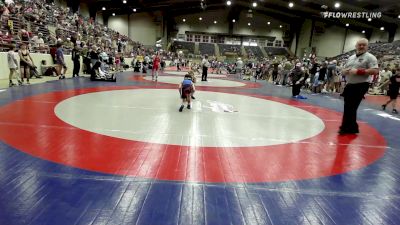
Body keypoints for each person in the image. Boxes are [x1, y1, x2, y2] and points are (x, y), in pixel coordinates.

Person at [339, 38, 379, 135]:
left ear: (367, 46)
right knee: (348, 106)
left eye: (363, 45)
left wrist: (359, 71)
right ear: (356, 46)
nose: (361, 46)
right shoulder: (351, 57)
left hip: (361, 85)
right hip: (350, 84)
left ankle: (345, 128)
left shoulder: (370, 57)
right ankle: (352, 127)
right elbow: (344, 69)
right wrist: (344, 71)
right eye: (359, 44)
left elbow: (375, 70)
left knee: (351, 106)